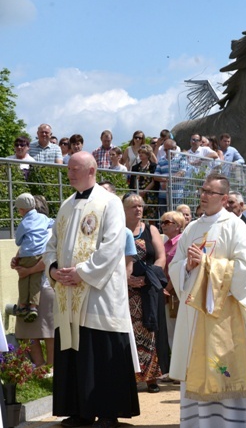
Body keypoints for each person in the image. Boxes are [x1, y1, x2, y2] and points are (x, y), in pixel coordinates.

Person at [43, 151, 139, 428]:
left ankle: (108, 412)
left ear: (92, 170)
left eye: (75, 168)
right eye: (69, 168)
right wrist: (53, 270)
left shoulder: (109, 202)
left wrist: (81, 273)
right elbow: (52, 245)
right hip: (68, 294)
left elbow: (112, 247)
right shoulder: (65, 205)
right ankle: (79, 410)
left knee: (100, 350)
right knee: (75, 351)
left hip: (99, 294)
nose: (70, 173)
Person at [168, 173, 246, 427]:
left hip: (226, 316)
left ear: (223, 198)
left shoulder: (235, 226)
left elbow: (245, 269)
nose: (203, 195)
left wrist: (207, 263)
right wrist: (187, 267)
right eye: (202, 190)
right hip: (196, 318)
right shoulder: (192, 228)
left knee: (225, 373)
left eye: (210, 192)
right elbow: (175, 266)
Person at [124, 193, 168, 394]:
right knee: (130, 333)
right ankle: (130, 375)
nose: (138, 209)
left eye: (140, 206)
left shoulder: (150, 230)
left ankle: (151, 377)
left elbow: (160, 258)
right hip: (126, 292)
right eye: (133, 206)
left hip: (148, 290)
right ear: (124, 210)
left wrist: (148, 277)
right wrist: (127, 279)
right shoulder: (117, 231)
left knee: (150, 330)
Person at [11, 195, 56, 368]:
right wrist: (16, 261)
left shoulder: (51, 231)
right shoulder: (35, 226)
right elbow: (23, 250)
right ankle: (40, 365)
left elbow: (47, 259)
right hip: (30, 284)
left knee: (48, 330)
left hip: (46, 284)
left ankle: (51, 368)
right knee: (26, 327)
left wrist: (27, 271)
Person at [13, 193, 53, 322]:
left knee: (24, 280)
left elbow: (18, 241)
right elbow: (54, 222)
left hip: (26, 256)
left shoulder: (24, 223)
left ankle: (23, 306)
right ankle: (33, 307)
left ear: (22, 210)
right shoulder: (43, 219)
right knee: (35, 281)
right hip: (39, 255)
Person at [160, 211, 185, 349]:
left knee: (177, 331)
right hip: (167, 293)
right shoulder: (166, 243)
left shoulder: (181, 242)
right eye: (162, 222)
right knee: (170, 331)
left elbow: (178, 269)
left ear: (178, 225)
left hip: (176, 293)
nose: (163, 225)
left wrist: (167, 289)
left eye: (167, 222)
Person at [128, 144, 158, 222]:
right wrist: (137, 191)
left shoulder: (153, 166)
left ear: (148, 154)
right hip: (138, 193)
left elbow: (154, 180)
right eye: (140, 152)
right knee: (139, 216)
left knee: (151, 217)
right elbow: (133, 180)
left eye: (143, 153)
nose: (140, 154)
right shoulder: (135, 167)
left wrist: (145, 191)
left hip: (150, 194)